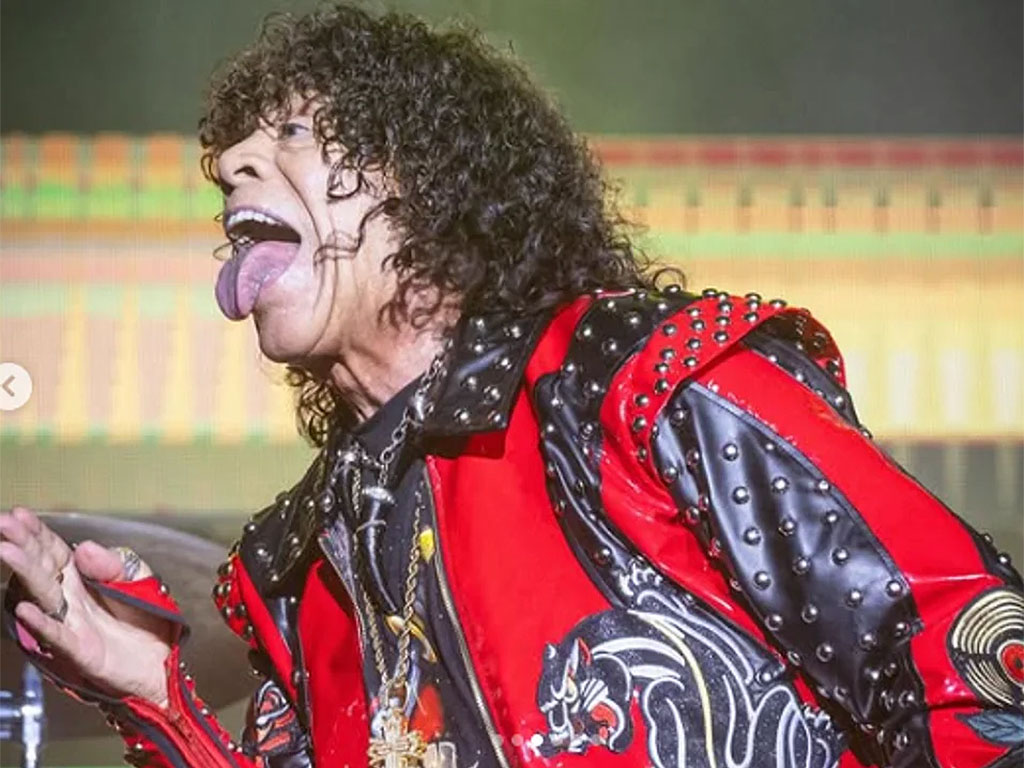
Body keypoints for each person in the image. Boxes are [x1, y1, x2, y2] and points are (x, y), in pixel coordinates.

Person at [2, 5, 1022, 768]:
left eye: (294, 135)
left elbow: (965, 661)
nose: (231, 164)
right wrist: (151, 693)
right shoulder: (302, 565)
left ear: (425, 182)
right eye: (231, 156)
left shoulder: (636, 383)